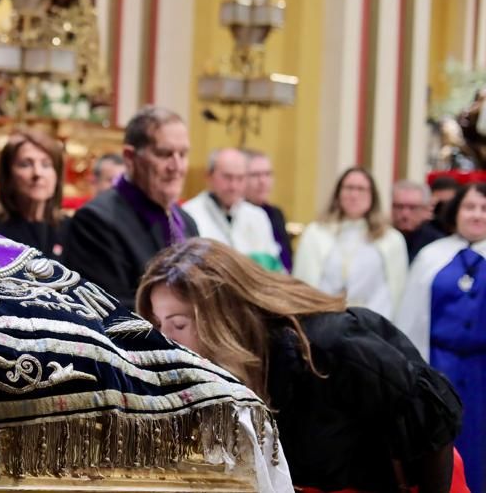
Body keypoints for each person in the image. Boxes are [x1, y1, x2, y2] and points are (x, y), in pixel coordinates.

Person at [137, 238, 462, 493]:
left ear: (224, 318)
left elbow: (430, 422)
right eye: (159, 325)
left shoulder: (328, 345)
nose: (167, 342)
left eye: (178, 325)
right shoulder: (215, 370)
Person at [397, 182, 486, 493]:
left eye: (484, 208)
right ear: (456, 211)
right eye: (470, 207)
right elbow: (410, 316)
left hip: (481, 372)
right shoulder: (432, 255)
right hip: (438, 367)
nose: (477, 215)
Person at [62, 105, 197, 308]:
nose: (176, 167)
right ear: (130, 157)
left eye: (183, 154)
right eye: (164, 154)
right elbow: (108, 308)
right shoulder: (96, 220)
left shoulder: (186, 221)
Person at [294, 166, 407, 319]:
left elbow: (396, 293)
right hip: (325, 320)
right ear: (338, 193)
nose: (354, 195)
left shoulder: (391, 239)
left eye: (361, 189)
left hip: (372, 325)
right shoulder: (316, 233)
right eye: (349, 188)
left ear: (372, 195)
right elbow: (304, 282)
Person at [183, 148, 283, 271]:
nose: (233, 186)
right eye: (227, 177)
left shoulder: (258, 216)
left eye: (240, 178)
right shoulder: (189, 214)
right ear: (209, 176)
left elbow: (273, 267)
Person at [0, 130, 68, 258]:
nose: (37, 173)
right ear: (8, 176)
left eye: (46, 165)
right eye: (26, 164)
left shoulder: (70, 229)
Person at [244, 149, 293, 271]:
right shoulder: (235, 215)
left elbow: (287, 262)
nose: (263, 181)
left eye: (267, 174)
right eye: (255, 175)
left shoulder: (276, 214)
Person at [392, 179, 446, 262]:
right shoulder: (382, 237)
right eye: (399, 207)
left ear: (425, 209)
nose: (405, 214)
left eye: (413, 208)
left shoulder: (437, 243)